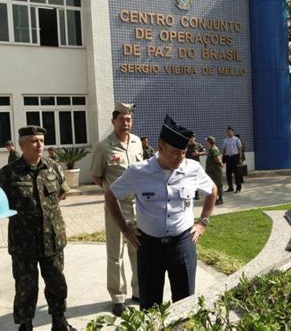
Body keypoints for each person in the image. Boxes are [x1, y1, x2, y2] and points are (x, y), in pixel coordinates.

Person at [104, 115, 217, 311]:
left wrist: (203, 222)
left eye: (183, 152)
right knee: (149, 305)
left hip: (182, 244)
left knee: (186, 305)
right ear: (160, 146)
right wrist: (125, 229)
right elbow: (111, 195)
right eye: (175, 152)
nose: (180, 158)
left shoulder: (193, 169)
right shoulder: (139, 171)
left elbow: (212, 190)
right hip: (149, 246)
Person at [0, 126, 76, 331]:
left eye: (41, 140)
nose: (39, 145)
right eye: (33, 141)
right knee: (25, 287)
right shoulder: (7, 174)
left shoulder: (53, 167)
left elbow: (61, 193)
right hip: (24, 244)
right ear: (22, 145)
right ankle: (25, 324)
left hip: (52, 238)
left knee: (57, 282)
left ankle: (59, 320)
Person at [90, 102, 143, 317]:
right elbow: (96, 175)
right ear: (113, 121)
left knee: (138, 249)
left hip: (137, 206)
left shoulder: (138, 142)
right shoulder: (103, 147)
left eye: (129, 119)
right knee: (115, 253)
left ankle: (139, 291)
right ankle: (118, 297)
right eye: (121, 119)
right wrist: (110, 193)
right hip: (116, 206)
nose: (126, 123)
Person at [222, 126, 243, 193]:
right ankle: (230, 187)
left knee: (236, 173)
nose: (229, 133)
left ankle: (238, 187)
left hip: (235, 157)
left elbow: (240, 149)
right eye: (227, 132)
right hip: (228, 157)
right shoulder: (225, 140)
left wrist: (240, 158)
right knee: (228, 174)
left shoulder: (236, 139)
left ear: (233, 132)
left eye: (230, 131)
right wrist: (222, 157)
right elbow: (224, 149)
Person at [185, 135, 206, 199]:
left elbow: (205, 152)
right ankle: (190, 193)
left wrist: (198, 153)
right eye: (190, 138)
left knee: (196, 180)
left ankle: (196, 194)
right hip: (187, 165)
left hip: (196, 165)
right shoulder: (186, 145)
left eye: (192, 138)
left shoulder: (198, 145)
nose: (191, 139)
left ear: (195, 138)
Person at [204, 136, 224, 205]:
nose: (205, 143)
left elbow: (217, 158)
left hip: (215, 171)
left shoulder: (213, 149)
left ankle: (220, 199)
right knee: (213, 185)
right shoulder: (210, 149)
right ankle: (214, 199)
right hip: (211, 172)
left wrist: (221, 164)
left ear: (210, 142)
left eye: (207, 141)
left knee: (218, 185)